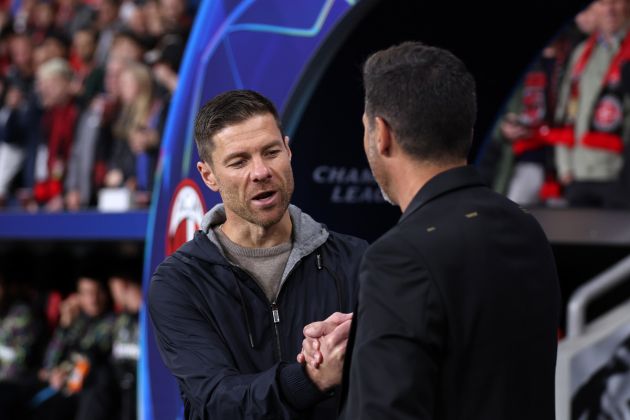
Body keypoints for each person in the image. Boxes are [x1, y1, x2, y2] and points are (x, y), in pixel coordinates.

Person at [301, 42, 561, 419]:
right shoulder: (523, 227)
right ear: (467, 130)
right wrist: (374, 327)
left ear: (381, 133)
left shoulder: (399, 258)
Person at [148, 89, 367, 419]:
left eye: (271, 152)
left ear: (288, 151)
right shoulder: (179, 282)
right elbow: (215, 401)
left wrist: (354, 345)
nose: (261, 171)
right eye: (239, 161)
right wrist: (310, 377)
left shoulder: (354, 260)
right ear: (208, 175)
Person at [553, 0, 630, 207]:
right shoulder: (581, 52)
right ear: (594, 9)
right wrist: (564, 168)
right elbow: (565, 109)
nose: (610, 9)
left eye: (616, 1)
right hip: (579, 174)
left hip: (619, 176)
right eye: (603, 3)